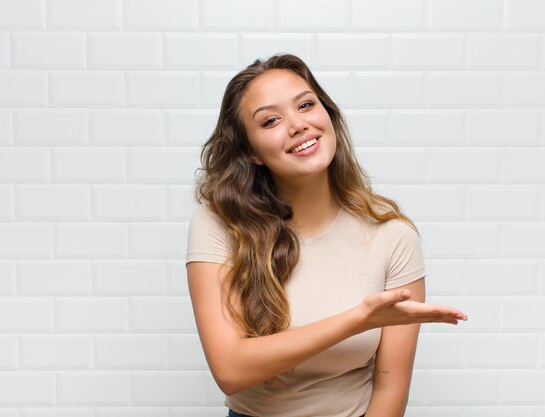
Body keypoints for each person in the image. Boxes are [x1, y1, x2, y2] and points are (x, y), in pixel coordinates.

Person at [186, 53, 467, 417]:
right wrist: (359, 320)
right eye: (271, 120)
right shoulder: (220, 222)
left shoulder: (393, 235)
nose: (298, 125)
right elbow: (231, 370)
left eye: (306, 105)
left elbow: (390, 387)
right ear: (251, 152)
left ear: (328, 115)